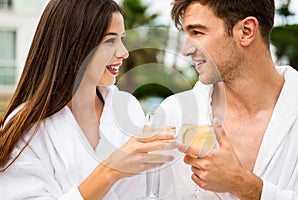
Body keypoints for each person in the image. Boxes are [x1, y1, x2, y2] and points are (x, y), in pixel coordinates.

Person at [0, 0, 177, 199]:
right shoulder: (28, 127)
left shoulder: (126, 107)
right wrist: (109, 171)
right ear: (74, 45)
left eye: (122, 39)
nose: (124, 53)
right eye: (110, 41)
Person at [158, 0, 298, 199]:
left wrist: (242, 184)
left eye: (197, 33)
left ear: (246, 31)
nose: (186, 50)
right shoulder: (172, 114)